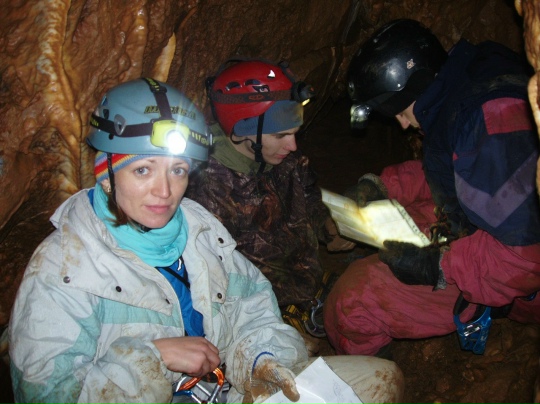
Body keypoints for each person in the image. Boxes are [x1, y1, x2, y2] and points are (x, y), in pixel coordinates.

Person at [8, 77, 404, 403]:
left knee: (379, 381)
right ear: (106, 173)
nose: (165, 191)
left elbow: (254, 312)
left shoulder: (199, 231)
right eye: (143, 170)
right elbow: (49, 395)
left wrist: (263, 360)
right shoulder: (62, 270)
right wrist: (155, 357)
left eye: (178, 170)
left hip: (223, 393)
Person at [324, 18, 540, 357]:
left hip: (511, 276)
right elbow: (458, 171)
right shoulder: (470, 85)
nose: (402, 124)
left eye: (400, 111)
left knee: (352, 301)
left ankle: (376, 376)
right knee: (383, 220)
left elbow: (525, 259)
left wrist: (436, 266)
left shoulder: (493, 124)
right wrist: (380, 187)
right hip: (483, 238)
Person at [186, 59, 356, 340]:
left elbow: (308, 196)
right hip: (262, 312)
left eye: (294, 134)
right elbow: (215, 283)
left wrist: (327, 226)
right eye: (281, 135)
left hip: (307, 285)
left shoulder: (282, 158)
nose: (292, 145)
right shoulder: (207, 191)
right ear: (244, 130)